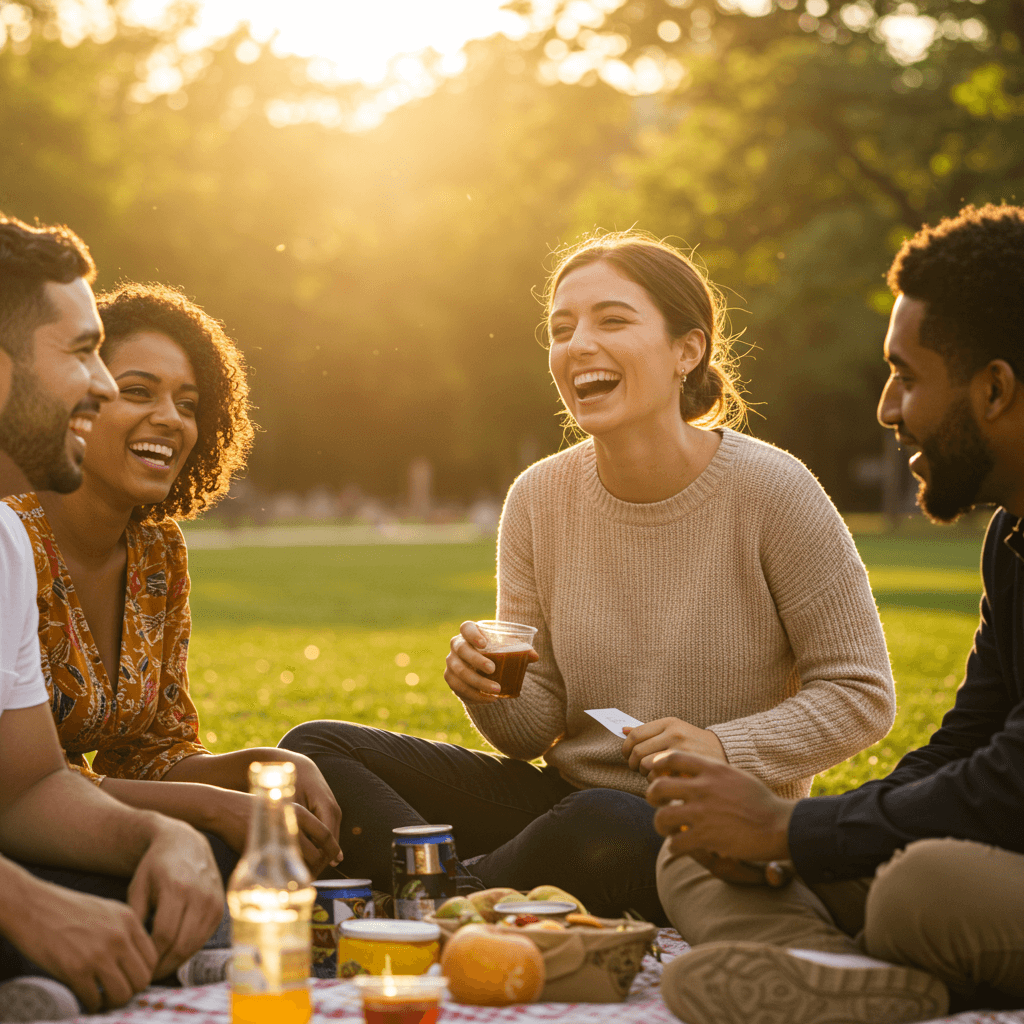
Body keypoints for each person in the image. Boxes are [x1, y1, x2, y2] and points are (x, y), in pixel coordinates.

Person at [281, 231, 896, 921]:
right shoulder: (539, 498)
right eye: (561, 329)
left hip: (704, 826)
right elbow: (532, 728)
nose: (578, 345)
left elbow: (861, 693)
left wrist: (721, 746)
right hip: (565, 806)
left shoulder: (774, 491)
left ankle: (437, 904)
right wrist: (491, 687)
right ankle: (464, 900)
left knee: (606, 824)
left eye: (612, 320)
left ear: (686, 351)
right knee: (315, 748)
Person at [645, 203, 1024, 1024]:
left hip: (985, 871)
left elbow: (1010, 785)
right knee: (697, 858)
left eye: (909, 376)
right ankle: (833, 979)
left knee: (922, 891)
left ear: (995, 389)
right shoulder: (1013, 537)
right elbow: (971, 739)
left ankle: (858, 966)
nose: (889, 408)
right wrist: (787, 838)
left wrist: (796, 833)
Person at [3, 281, 344, 882]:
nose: (170, 419)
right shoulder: (12, 539)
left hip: (90, 825)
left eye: (188, 404)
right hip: (18, 847)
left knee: (276, 827)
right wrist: (216, 806)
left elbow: (151, 752)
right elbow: (28, 787)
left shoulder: (158, 553)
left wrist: (263, 764)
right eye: (138, 392)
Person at [0, 214, 224, 1021]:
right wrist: (23, 904)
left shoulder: (3, 546)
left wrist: (162, 838)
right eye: (83, 354)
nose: (99, 385)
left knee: (187, 871)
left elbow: (24, 788)